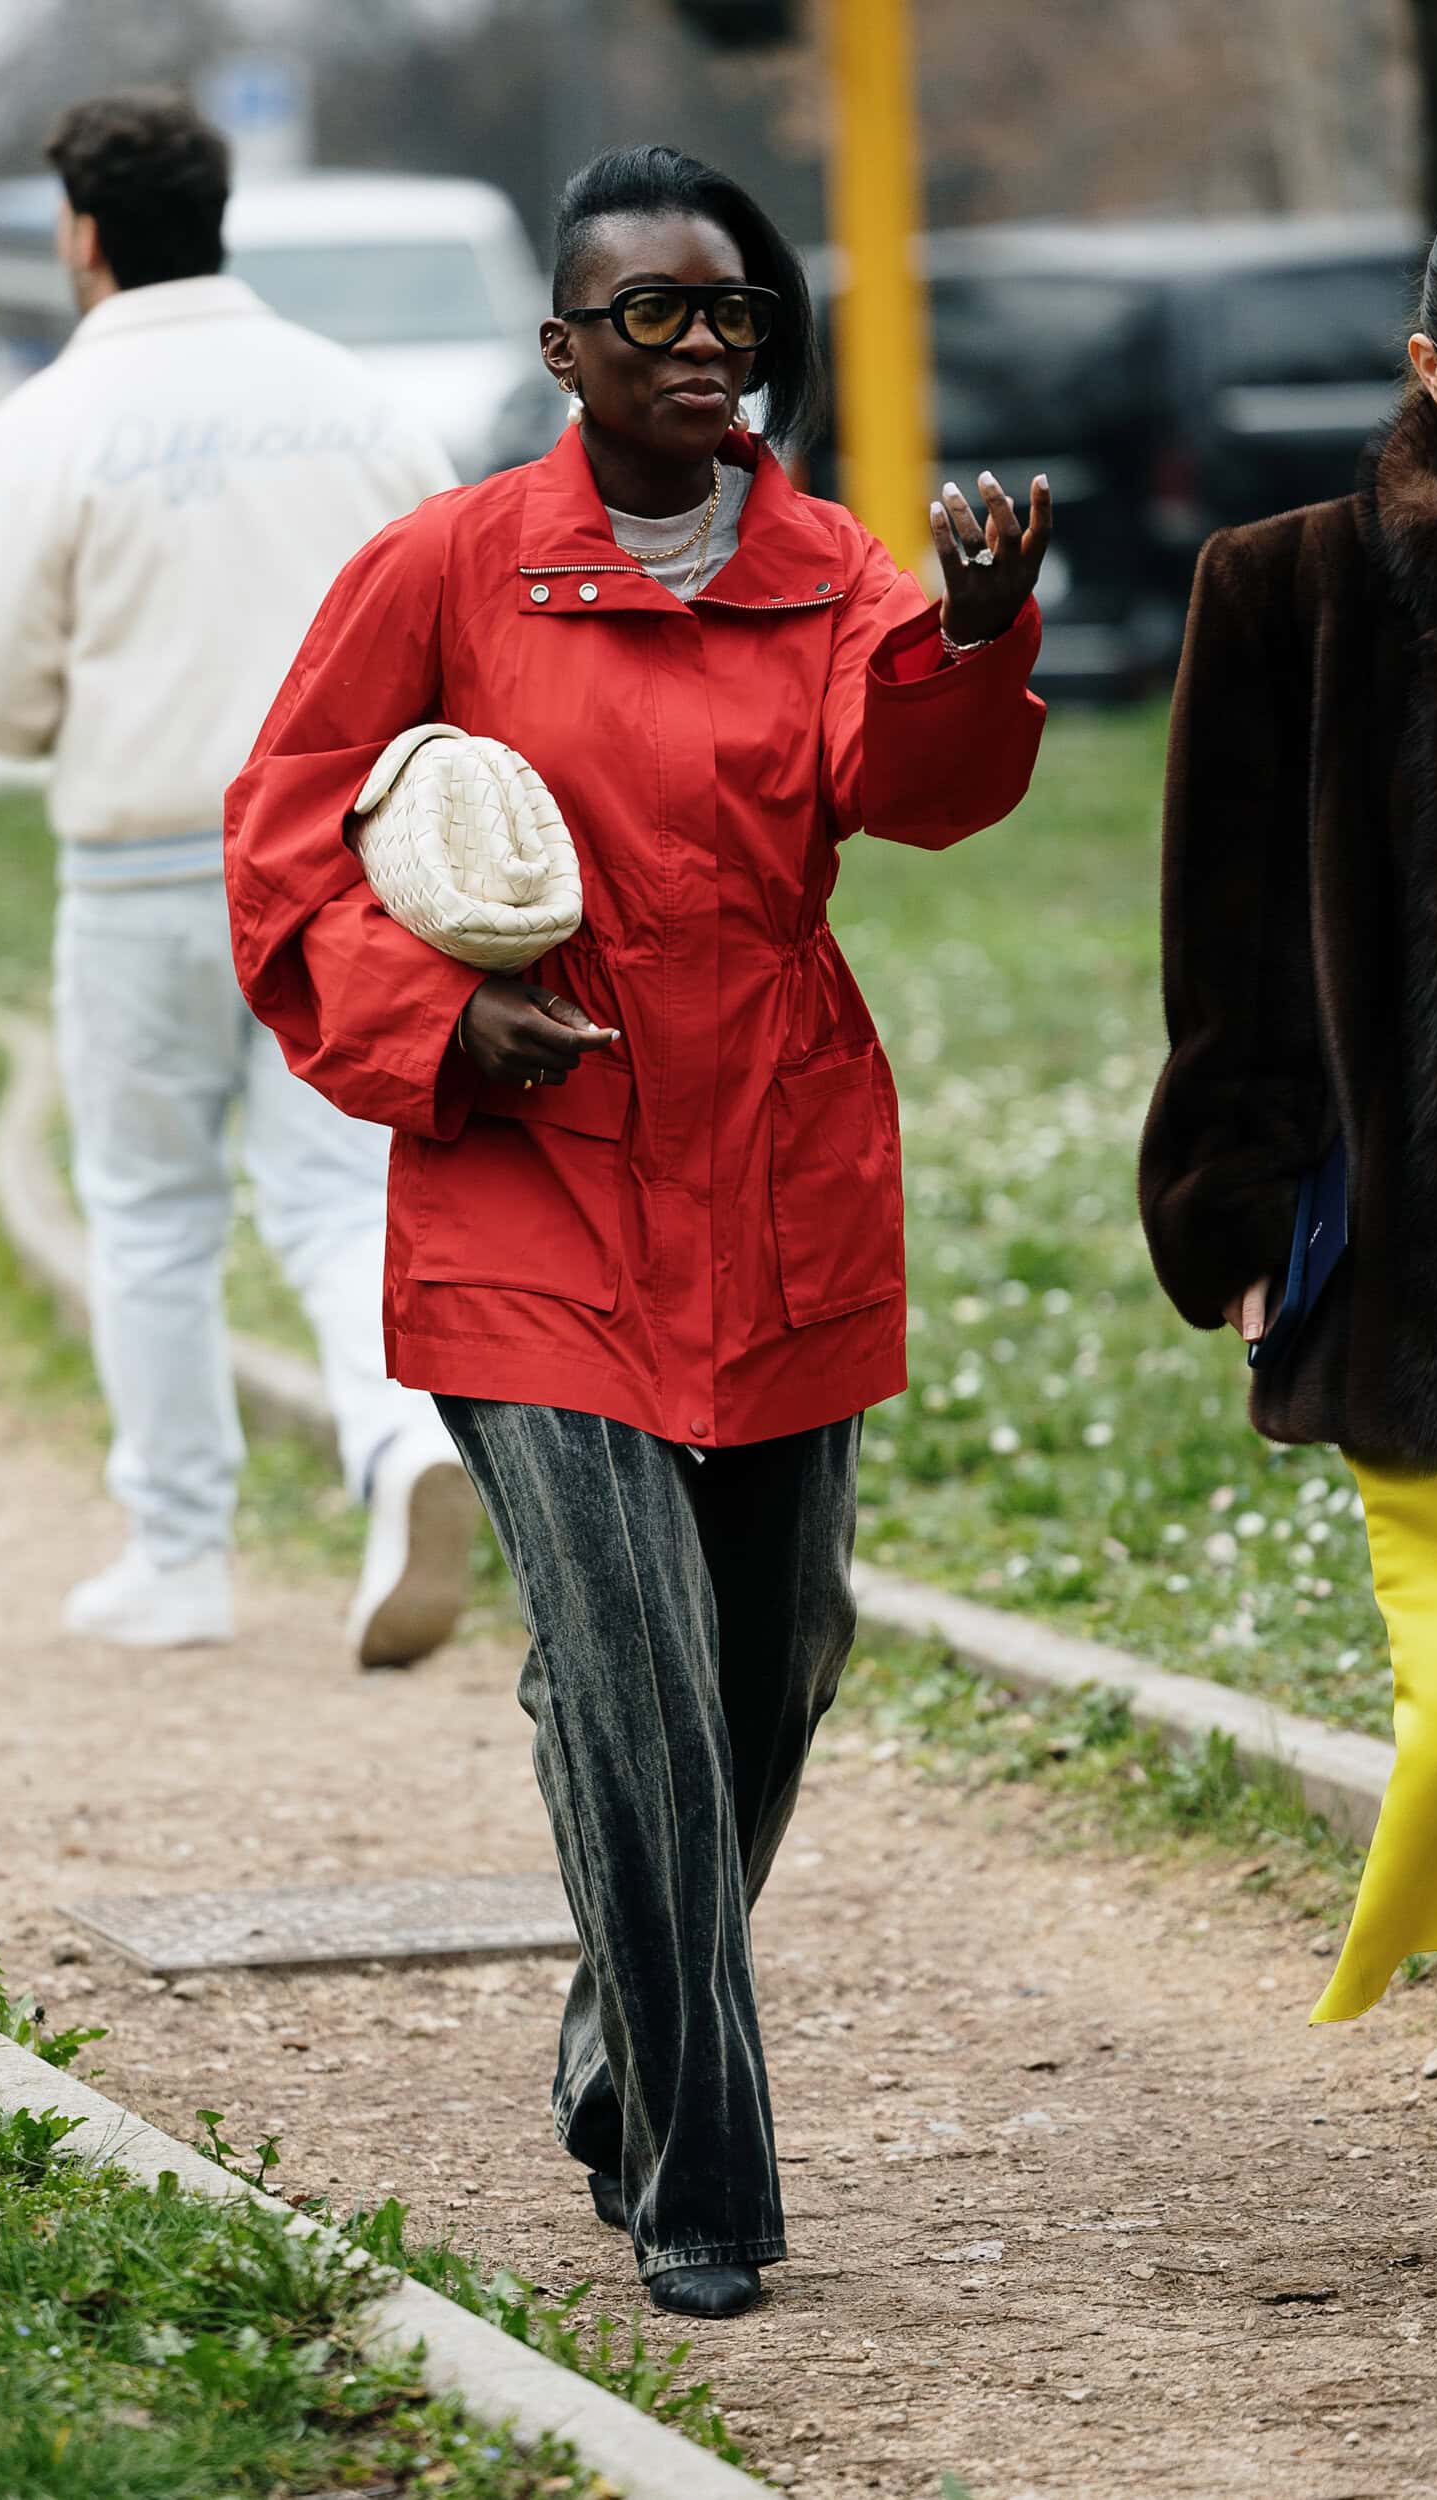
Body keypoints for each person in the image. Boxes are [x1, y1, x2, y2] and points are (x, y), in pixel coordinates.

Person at [228, 143, 1051, 2316]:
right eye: (656, 316)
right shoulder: (452, 565)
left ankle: (612, 2040)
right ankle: (704, 2174)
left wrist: (971, 637)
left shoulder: (825, 560)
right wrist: (438, 1013)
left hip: (780, 1161)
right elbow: (283, 849)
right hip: (537, 1178)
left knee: (777, 1654)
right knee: (637, 1676)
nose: (706, 348)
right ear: (563, 348)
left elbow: (927, 789)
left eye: (735, 314)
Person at [0, 90, 478, 1664]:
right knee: (332, 1192)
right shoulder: (352, 401)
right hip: (345, 861)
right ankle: (397, 1443)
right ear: (219, 214)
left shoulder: (41, 430)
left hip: (141, 867)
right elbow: (455, 602)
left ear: (84, 233)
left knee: (152, 1212)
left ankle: (177, 1557)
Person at [1140, 176, 1437, 2230]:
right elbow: (1224, 934)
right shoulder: (1288, 589)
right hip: (1431, 1243)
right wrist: (1236, 1204)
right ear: (1427, 367)